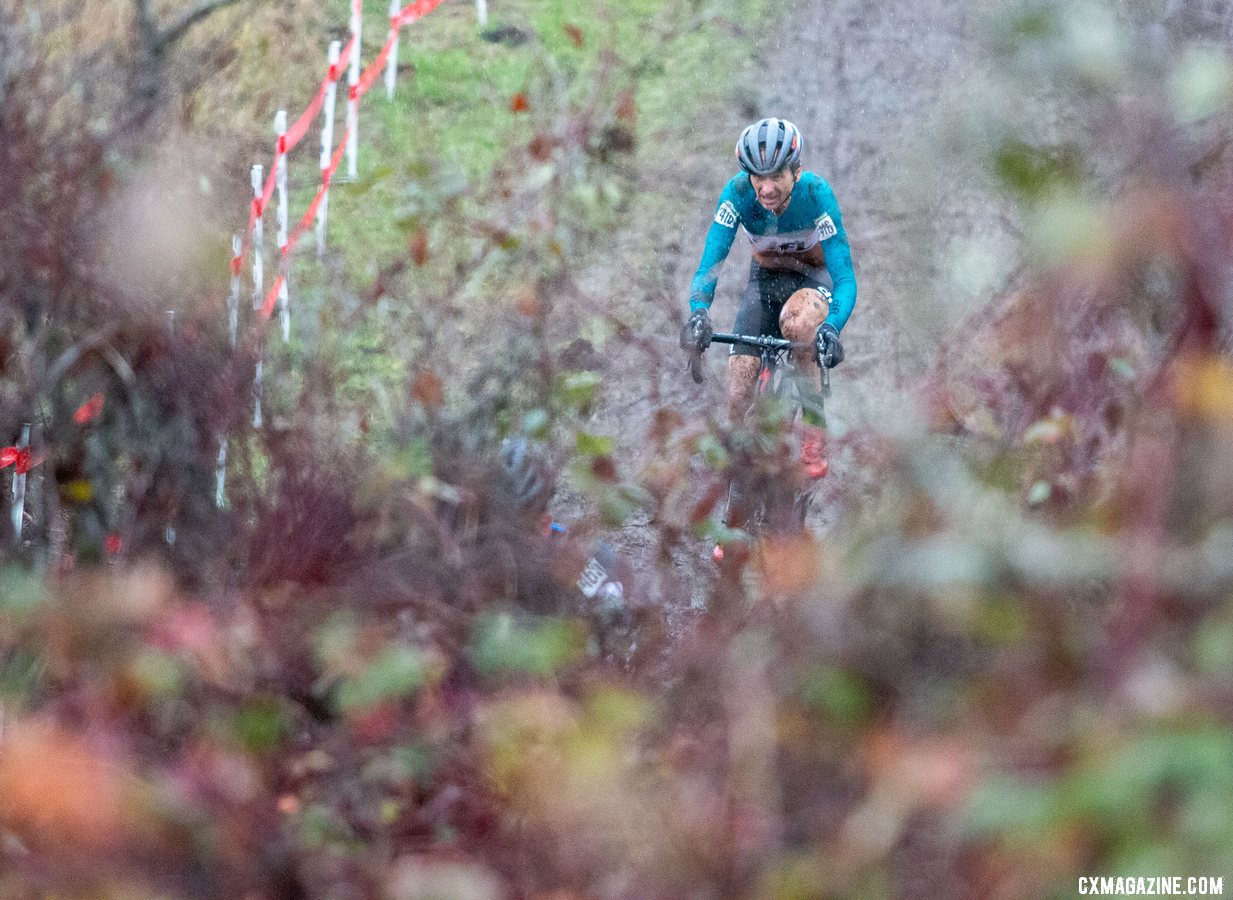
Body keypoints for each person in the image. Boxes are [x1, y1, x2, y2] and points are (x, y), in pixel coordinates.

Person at [679, 117, 856, 480]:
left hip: (813, 280)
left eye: (776, 176)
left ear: (797, 171)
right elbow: (711, 262)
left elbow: (845, 278)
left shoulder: (816, 194)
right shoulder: (737, 194)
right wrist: (699, 312)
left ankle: (813, 425)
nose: (766, 187)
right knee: (739, 388)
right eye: (757, 177)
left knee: (798, 325)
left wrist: (832, 329)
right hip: (766, 281)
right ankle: (736, 505)